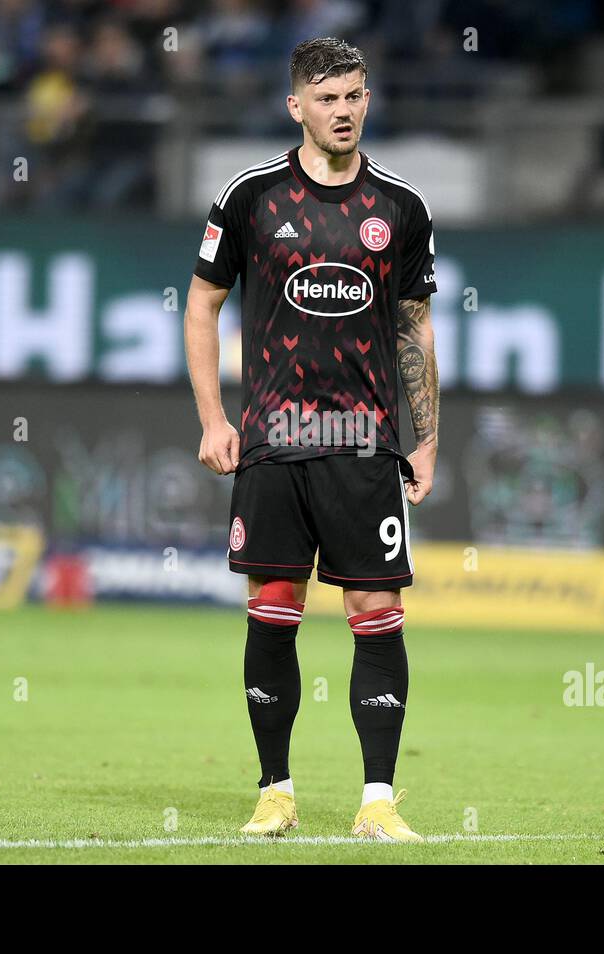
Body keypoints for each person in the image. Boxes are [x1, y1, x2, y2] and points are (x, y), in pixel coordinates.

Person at [183, 36, 440, 842]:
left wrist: (425, 436)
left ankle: (378, 802)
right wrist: (213, 418)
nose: (344, 111)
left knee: (376, 609)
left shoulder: (400, 207)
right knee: (272, 612)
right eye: (327, 98)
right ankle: (275, 791)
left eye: (355, 96)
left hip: (362, 446)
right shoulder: (250, 196)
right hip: (273, 441)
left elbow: (413, 327)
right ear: (296, 105)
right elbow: (201, 304)